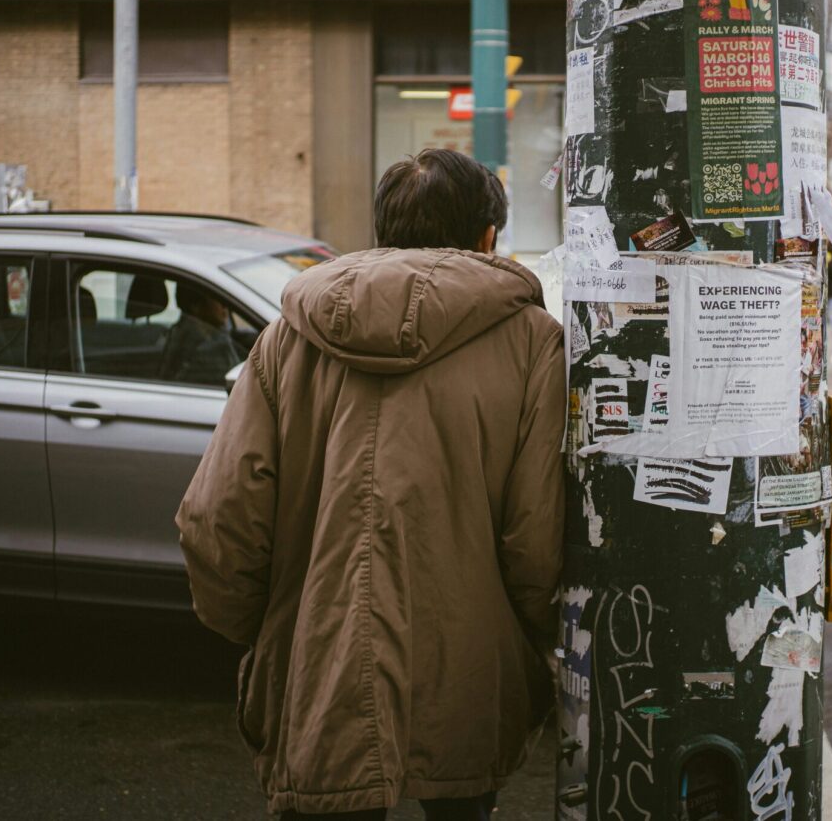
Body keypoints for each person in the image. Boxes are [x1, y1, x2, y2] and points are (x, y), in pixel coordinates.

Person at [176, 148, 565, 820]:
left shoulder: (285, 340)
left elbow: (218, 518)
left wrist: (272, 632)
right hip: (469, 671)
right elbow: (535, 540)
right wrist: (530, 640)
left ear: (385, 231)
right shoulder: (532, 343)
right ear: (487, 238)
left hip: (318, 661)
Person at [161, 283, 242, 386]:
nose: (225, 306)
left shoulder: (181, 334)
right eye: (217, 298)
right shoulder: (205, 347)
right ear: (196, 306)